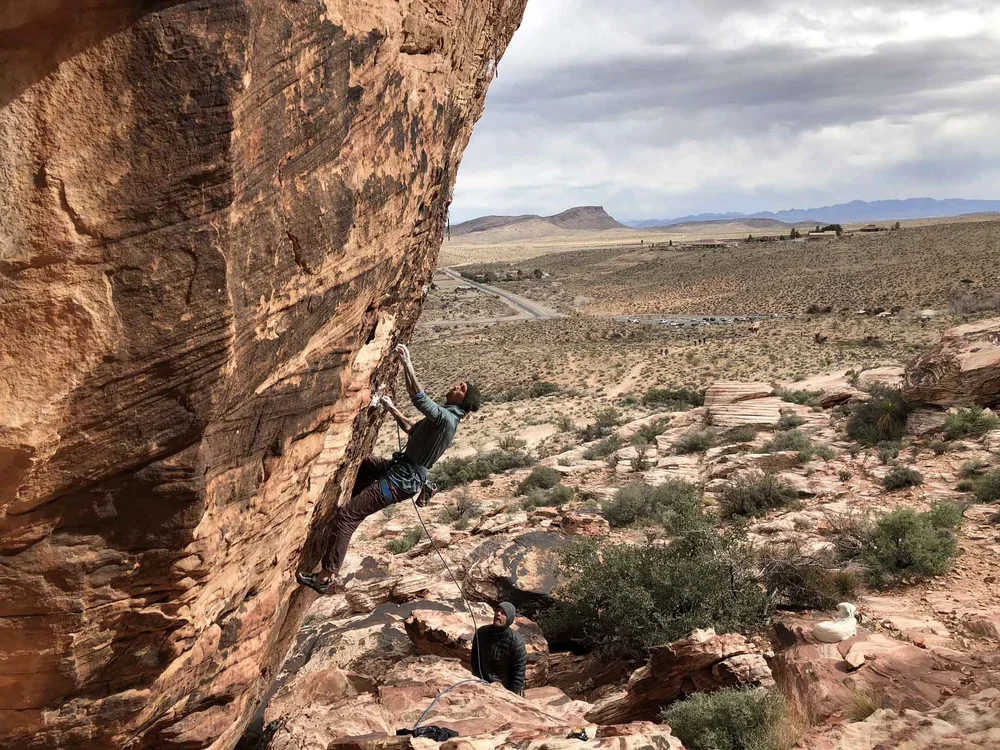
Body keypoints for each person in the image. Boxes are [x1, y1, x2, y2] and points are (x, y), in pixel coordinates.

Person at [297, 343, 482, 594]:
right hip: (400, 471)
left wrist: (407, 364)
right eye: (459, 384)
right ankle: (355, 505)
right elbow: (411, 429)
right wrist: (391, 407)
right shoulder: (444, 419)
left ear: (464, 401)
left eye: (462, 388)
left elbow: (419, 398)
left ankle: (325, 577)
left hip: (400, 482)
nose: (456, 386)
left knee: (348, 517)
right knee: (366, 465)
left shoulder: (446, 419)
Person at [470, 602, 527, 696]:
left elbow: (519, 675)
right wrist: (480, 682)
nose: (498, 614)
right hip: (483, 685)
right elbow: (474, 661)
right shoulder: (481, 633)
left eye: (503, 613)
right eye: (497, 610)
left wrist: (510, 696)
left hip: (507, 690)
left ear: (509, 619)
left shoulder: (516, 642)